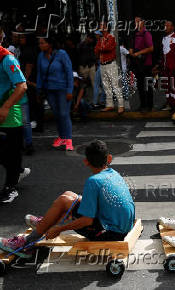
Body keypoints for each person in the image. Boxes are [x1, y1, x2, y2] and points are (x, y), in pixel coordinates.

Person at [0, 140, 135, 255]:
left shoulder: (93, 181)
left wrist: (59, 230)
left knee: (65, 203)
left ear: (86, 162)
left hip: (110, 233)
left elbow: (87, 221)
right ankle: (46, 222)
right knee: (69, 195)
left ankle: (26, 243)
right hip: (121, 225)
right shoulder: (113, 173)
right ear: (109, 158)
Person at [0, 29, 28, 204]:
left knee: (10, 153)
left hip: (9, 115)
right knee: (6, 154)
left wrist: (5, 107)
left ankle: (11, 188)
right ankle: (17, 170)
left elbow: (22, 86)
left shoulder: (7, 59)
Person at [36, 37, 74, 151]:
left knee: (63, 113)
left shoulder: (61, 54)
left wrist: (69, 90)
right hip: (49, 90)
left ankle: (68, 139)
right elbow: (39, 75)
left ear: (49, 44)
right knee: (57, 114)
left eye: (42, 43)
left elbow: (69, 72)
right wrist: (38, 90)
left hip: (62, 89)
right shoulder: (40, 56)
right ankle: (62, 136)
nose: (40, 45)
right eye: (39, 43)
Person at [95, 21, 124, 114]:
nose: (100, 27)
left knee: (115, 85)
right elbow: (96, 50)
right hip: (103, 65)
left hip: (111, 64)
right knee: (106, 86)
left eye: (102, 25)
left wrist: (101, 48)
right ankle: (109, 105)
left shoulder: (111, 37)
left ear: (106, 28)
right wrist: (101, 48)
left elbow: (108, 48)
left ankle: (121, 105)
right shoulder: (101, 39)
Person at [154, 20, 175, 112]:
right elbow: (163, 54)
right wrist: (158, 66)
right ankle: (169, 104)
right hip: (165, 68)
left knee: (174, 87)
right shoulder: (164, 38)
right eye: (165, 25)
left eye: (168, 25)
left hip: (174, 68)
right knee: (166, 86)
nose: (165, 27)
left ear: (172, 27)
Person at [130, 16, 154, 111]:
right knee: (140, 86)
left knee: (147, 85)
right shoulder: (135, 34)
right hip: (137, 64)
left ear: (143, 23)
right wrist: (131, 51)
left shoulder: (146, 34)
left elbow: (151, 48)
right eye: (135, 21)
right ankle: (143, 105)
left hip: (146, 64)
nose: (137, 23)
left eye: (138, 21)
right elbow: (132, 47)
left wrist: (138, 53)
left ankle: (149, 106)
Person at [77, 33, 96, 101]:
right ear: (87, 38)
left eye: (92, 39)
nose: (91, 40)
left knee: (94, 83)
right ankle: (81, 99)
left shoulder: (93, 44)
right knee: (83, 83)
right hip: (83, 66)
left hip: (91, 65)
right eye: (90, 38)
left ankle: (95, 100)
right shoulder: (81, 45)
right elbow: (78, 54)